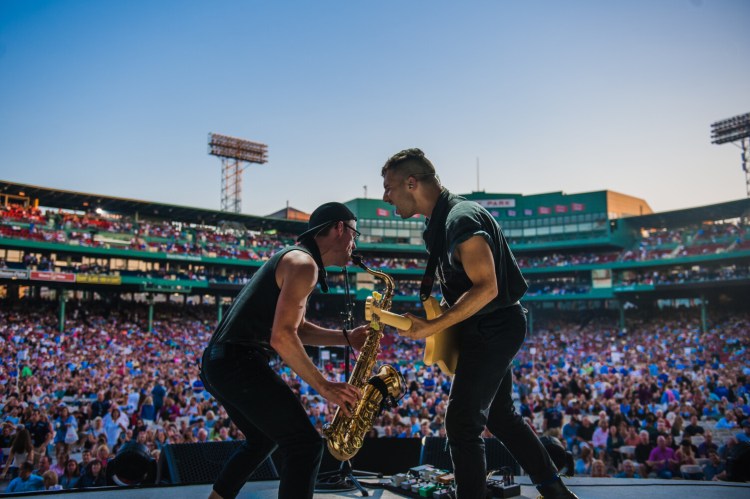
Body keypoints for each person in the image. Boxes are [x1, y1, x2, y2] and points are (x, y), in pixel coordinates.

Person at [380, 148, 576, 498]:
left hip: (494, 326)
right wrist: (432, 318)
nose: (385, 197)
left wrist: (432, 327)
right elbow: (463, 286)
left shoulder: (461, 220)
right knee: (500, 417)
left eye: (389, 187)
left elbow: (487, 287)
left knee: (461, 423)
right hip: (485, 326)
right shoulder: (439, 223)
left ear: (411, 183)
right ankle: (555, 490)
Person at [200, 202, 369, 499]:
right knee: (305, 446)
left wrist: (346, 338)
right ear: (339, 228)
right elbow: (282, 336)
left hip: (219, 363)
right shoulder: (304, 265)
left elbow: (298, 328)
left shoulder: (294, 258)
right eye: (354, 233)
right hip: (239, 362)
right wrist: (325, 386)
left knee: (262, 440)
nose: (355, 243)